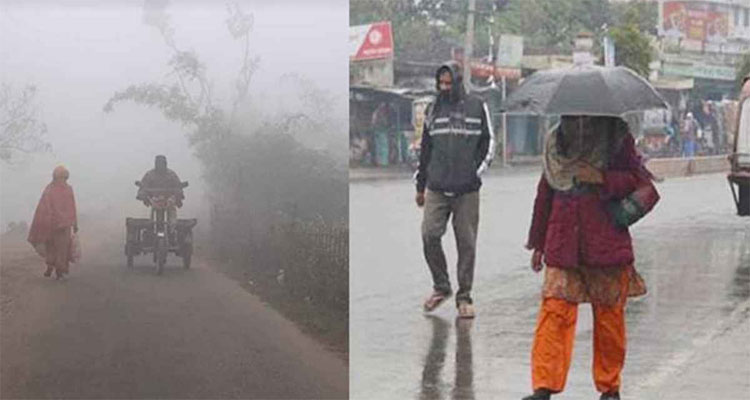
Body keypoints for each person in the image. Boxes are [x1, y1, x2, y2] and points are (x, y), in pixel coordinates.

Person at [522, 116, 656, 400]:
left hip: (604, 239)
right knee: (554, 311)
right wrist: (538, 242)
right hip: (562, 239)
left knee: (609, 317)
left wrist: (601, 178)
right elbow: (545, 191)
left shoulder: (616, 137)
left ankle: (609, 387)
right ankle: (544, 386)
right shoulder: (556, 141)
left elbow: (638, 180)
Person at [415, 61, 496, 319]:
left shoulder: (476, 106)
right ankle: (441, 286)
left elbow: (489, 142)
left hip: (467, 190)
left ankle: (464, 297)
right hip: (437, 186)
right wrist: (420, 185)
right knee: (429, 234)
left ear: (458, 82)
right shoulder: (433, 109)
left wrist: (475, 173)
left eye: (449, 83)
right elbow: (426, 149)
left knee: (467, 243)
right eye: (441, 83)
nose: (444, 87)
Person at [27, 166, 78, 279]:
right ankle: (51, 266)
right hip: (52, 225)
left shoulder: (67, 189)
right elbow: (44, 207)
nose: (62, 180)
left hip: (64, 226)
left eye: (64, 178)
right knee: (51, 247)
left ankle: (59, 271)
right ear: (55, 177)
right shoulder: (50, 190)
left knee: (62, 250)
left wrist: (75, 223)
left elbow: (72, 206)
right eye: (60, 177)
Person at [137, 155, 184, 223]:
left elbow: (178, 186)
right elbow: (144, 186)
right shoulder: (150, 175)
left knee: (172, 216)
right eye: (159, 163)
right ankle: (152, 226)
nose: (160, 165)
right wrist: (142, 195)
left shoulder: (171, 175)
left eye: (162, 163)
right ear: (155, 164)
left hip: (169, 200)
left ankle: (173, 228)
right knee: (151, 221)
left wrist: (179, 196)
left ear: (165, 164)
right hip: (154, 200)